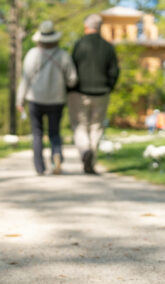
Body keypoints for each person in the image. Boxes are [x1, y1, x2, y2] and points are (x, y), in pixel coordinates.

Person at [16, 21, 77, 175]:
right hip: (56, 100)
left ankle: (39, 167)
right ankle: (56, 156)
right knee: (54, 132)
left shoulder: (32, 54)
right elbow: (73, 79)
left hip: (36, 99)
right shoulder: (63, 55)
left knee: (37, 133)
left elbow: (26, 79)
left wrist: (19, 100)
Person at [68, 14, 119, 174]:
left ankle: (85, 151)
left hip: (79, 93)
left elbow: (71, 69)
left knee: (79, 125)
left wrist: (69, 88)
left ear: (86, 27)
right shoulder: (108, 47)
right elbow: (114, 71)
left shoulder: (79, 44)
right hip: (102, 93)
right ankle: (91, 157)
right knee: (96, 126)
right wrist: (109, 86)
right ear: (100, 27)